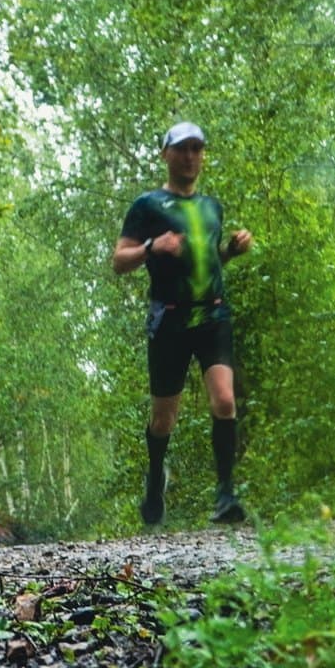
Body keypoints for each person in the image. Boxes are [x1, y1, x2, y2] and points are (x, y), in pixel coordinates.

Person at [112, 121, 253, 526]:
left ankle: (225, 496)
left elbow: (209, 260)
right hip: (169, 321)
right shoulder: (147, 206)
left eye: (197, 149)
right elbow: (119, 261)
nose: (190, 156)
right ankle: (155, 480)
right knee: (163, 420)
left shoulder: (212, 208)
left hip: (212, 313)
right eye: (182, 149)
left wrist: (230, 251)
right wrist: (153, 246)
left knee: (224, 401)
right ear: (166, 155)